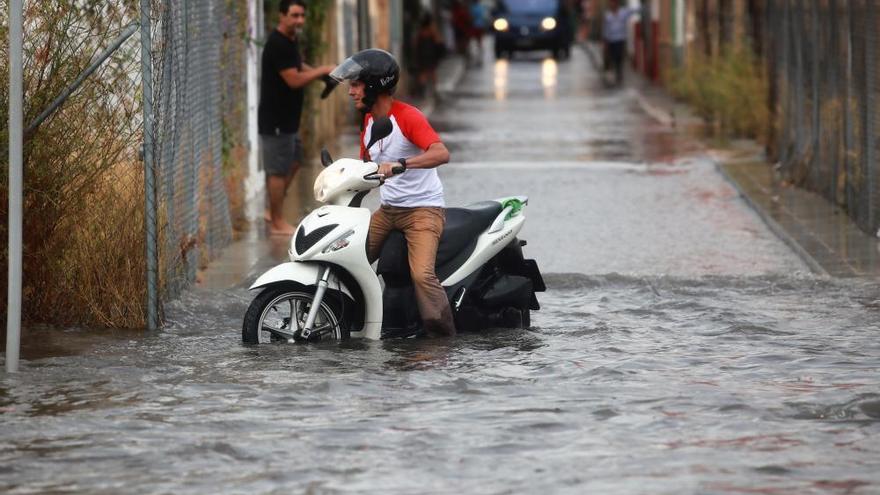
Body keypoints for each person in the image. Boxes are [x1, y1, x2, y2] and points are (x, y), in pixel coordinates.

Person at [330, 49, 457, 338]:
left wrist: (401, 164)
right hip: (388, 211)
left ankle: (443, 340)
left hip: (423, 211)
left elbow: (441, 153)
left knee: (422, 276)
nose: (350, 92)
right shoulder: (369, 121)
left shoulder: (408, 117)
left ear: (374, 85)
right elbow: (365, 166)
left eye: (356, 85)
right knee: (347, 256)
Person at [259, 0, 335, 235]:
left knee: (294, 160)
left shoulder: (290, 41)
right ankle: (277, 221)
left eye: (302, 15)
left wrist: (320, 74)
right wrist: (321, 71)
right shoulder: (277, 43)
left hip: (289, 120)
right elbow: (293, 79)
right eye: (294, 15)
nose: (299, 20)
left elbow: (297, 65)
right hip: (276, 120)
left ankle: (273, 210)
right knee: (277, 171)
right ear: (282, 16)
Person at [602, 0, 638, 86]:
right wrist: (605, 42)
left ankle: (619, 74)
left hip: (620, 40)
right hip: (611, 40)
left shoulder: (623, 12)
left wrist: (644, 5)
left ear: (617, 4)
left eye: (614, 2)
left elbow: (634, 10)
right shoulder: (607, 16)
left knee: (619, 57)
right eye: (611, 3)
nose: (612, 4)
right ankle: (614, 74)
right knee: (613, 57)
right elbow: (605, 29)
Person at [414, 13, 444, 98]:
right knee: (432, 73)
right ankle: (434, 91)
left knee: (423, 73)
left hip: (422, 54)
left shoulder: (420, 32)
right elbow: (438, 41)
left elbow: (415, 44)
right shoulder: (432, 30)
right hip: (430, 54)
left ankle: (422, 92)